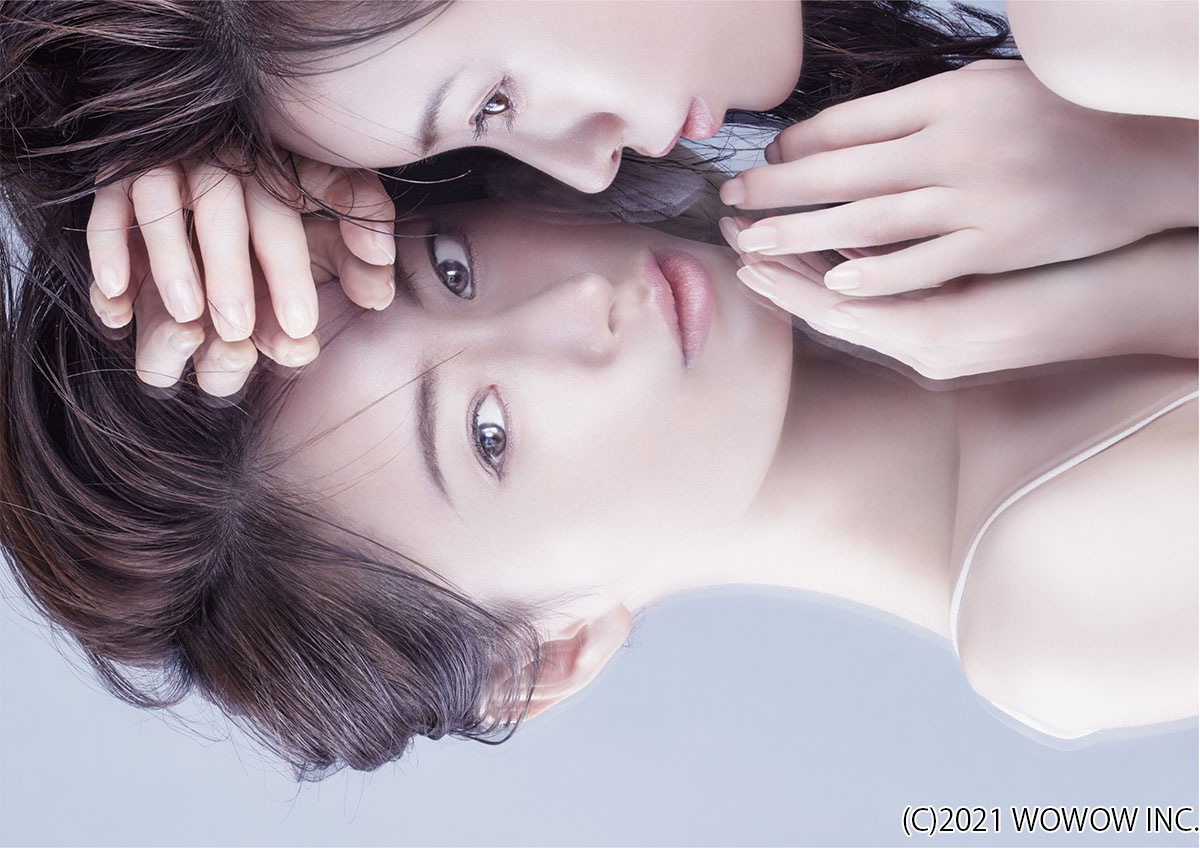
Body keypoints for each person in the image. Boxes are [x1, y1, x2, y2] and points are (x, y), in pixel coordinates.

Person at [2, 188, 1195, 777]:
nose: (576, 303)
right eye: (489, 435)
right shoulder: (1059, 604)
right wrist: (1133, 177)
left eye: (450, 265)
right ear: (549, 658)